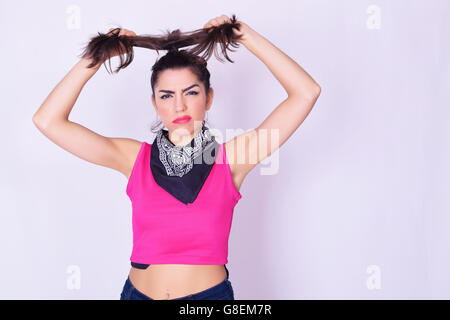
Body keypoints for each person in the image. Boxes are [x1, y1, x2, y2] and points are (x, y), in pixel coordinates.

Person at [32, 14, 321, 300]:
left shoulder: (231, 158)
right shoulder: (134, 158)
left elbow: (306, 93)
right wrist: (97, 55)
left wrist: (246, 36)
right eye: (167, 95)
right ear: (155, 103)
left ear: (208, 97)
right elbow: (48, 121)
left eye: (191, 92)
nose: (179, 105)